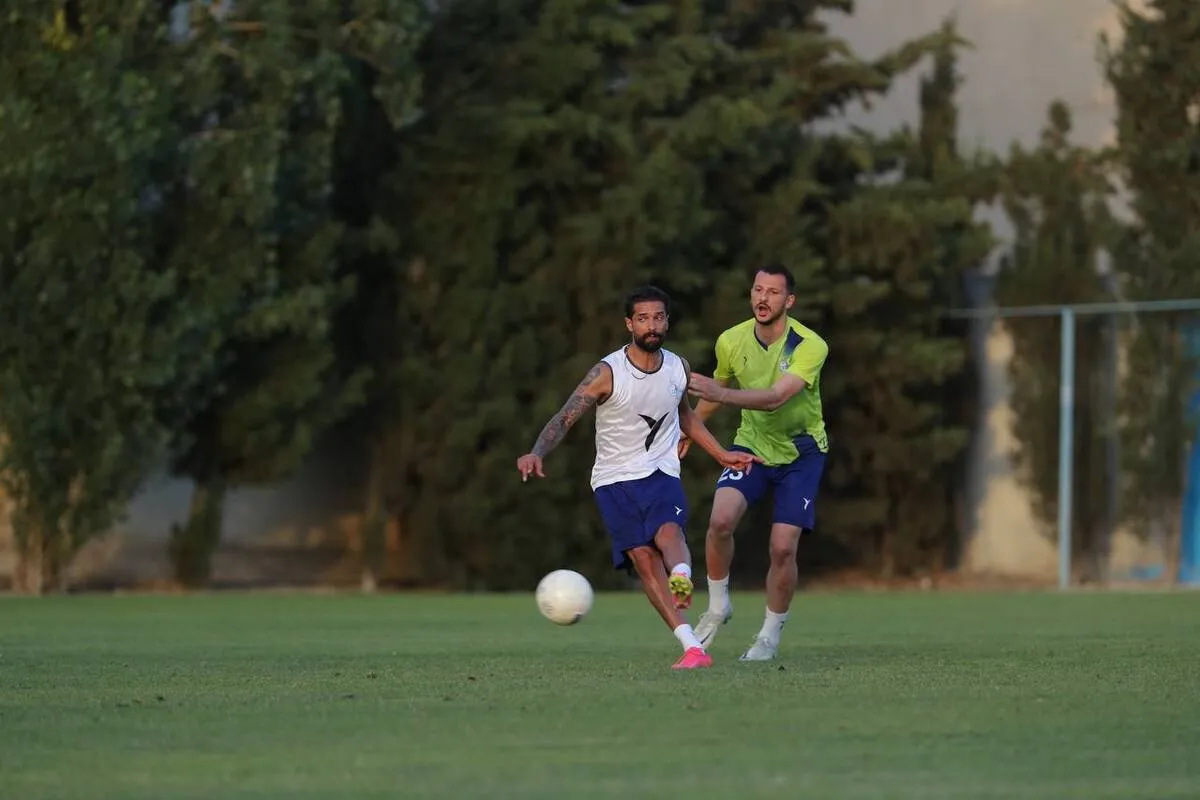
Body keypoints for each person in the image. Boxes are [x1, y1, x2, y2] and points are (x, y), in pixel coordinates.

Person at [517, 285, 760, 670]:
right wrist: (536, 452)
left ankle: (681, 574)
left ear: (667, 322)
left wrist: (720, 454)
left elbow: (685, 415)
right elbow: (565, 416)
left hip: (661, 470)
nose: (652, 325)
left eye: (658, 317)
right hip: (612, 480)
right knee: (644, 560)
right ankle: (692, 647)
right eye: (643, 318)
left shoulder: (677, 368)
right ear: (629, 324)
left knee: (669, 532)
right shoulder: (607, 372)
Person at [682, 264, 829, 662]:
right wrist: (689, 430)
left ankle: (769, 635)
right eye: (758, 290)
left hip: (801, 454)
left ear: (789, 301)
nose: (763, 298)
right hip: (751, 445)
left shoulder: (808, 345)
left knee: (782, 548)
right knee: (719, 521)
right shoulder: (731, 340)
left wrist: (720, 394)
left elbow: (775, 397)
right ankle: (718, 606)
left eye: (773, 292)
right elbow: (715, 391)